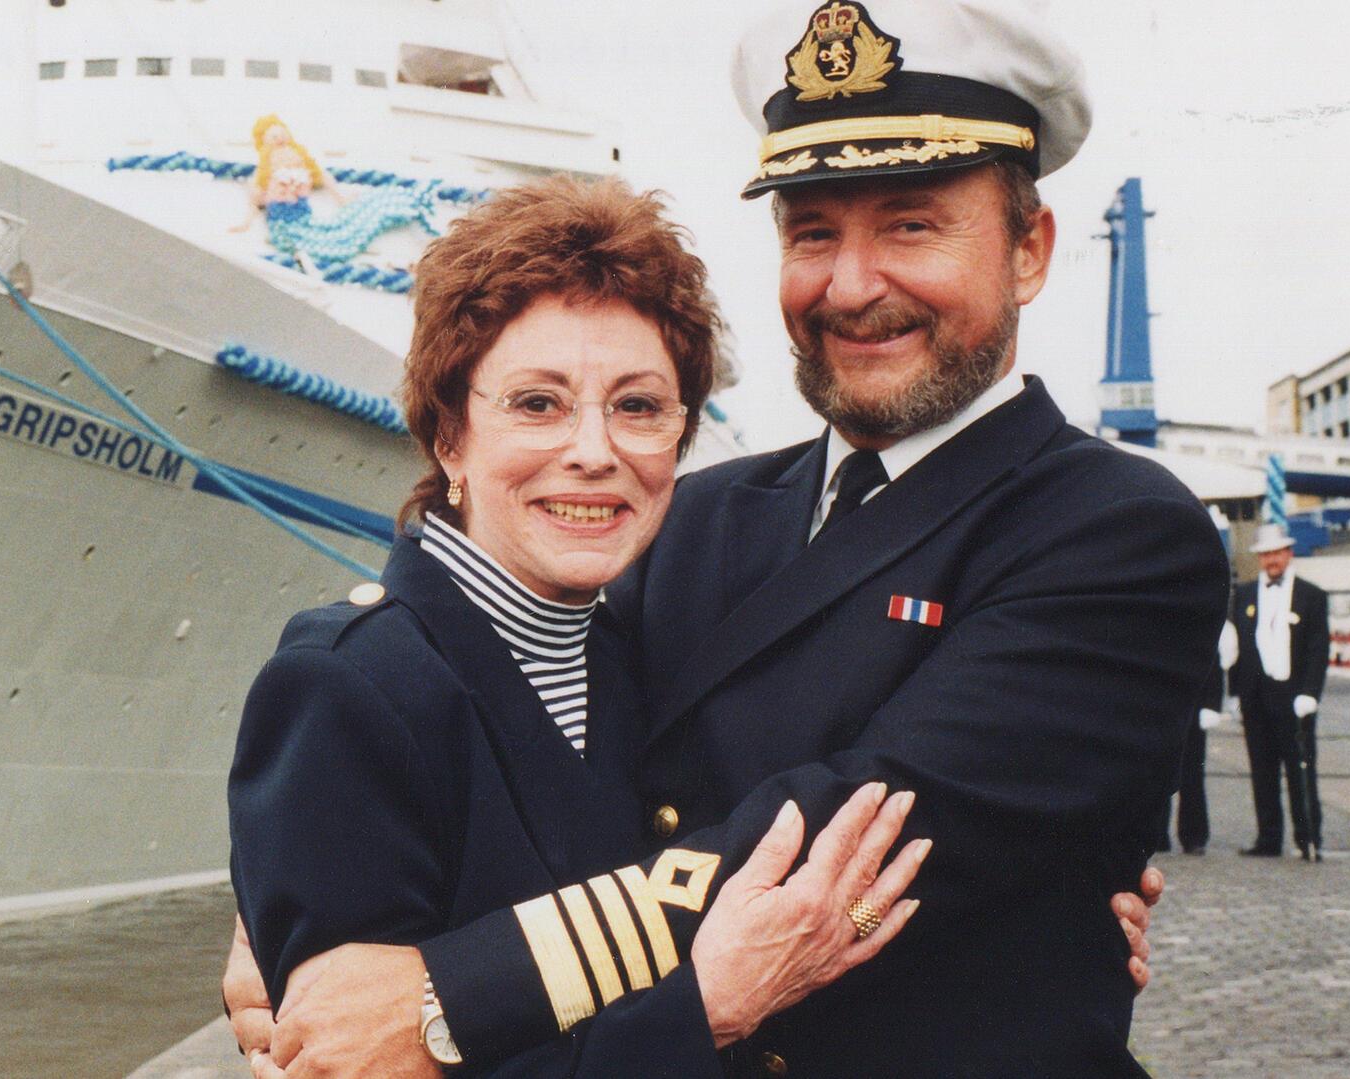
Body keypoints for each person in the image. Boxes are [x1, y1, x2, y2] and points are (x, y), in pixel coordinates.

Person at [231, 1, 1218, 1075]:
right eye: (812, 233)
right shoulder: (698, 518)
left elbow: (860, 830)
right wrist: (298, 893)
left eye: (910, 224)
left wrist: (439, 990)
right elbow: (544, 759)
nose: (850, 285)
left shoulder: (1120, 533)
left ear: (1029, 249)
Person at [230, 177, 939, 1077]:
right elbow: (348, 1061)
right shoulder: (349, 689)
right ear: (449, 433)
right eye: (538, 403)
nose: (596, 451)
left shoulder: (638, 664)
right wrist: (704, 1012)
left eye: (639, 407)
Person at [1227, 523, 1331, 861]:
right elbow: (1234, 648)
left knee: (1301, 770)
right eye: (1266, 554)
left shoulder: (1311, 595)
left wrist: (1311, 693)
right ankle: (1268, 838)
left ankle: (1308, 837)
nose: (1272, 560)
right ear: (1259, 558)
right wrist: (1233, 695)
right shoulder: (1242, 595)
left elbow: (1318, 648)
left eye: (1277, 552)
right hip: (1256, 696)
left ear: (1288, 553)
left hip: (1295, 697)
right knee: (1262, 771)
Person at [1157, 620, 1234, 856]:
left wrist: (1212, 704)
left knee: (1192, 774)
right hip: (1160, 704)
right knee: (1157, 773)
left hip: (1192, 704)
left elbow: (1212, 659)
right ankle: (1157, 835)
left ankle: (1194, 836)